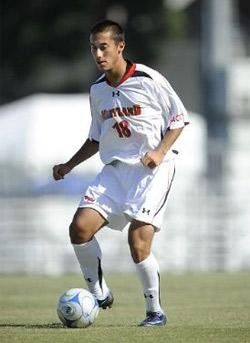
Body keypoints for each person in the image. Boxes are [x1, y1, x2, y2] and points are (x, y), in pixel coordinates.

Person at [53, 19, 189, 327]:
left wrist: (159, 152)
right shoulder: (97, 90)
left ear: (120, 46)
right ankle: (98, 292)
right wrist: (69, 165)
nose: (98, 54)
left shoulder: (148, 78)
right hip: (114, 171)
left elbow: (179, 118)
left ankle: (155, 312)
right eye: (93, 48)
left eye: (104, 47)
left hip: (152, 171)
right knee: (79, 228)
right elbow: (96, 138)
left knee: (137, 240)